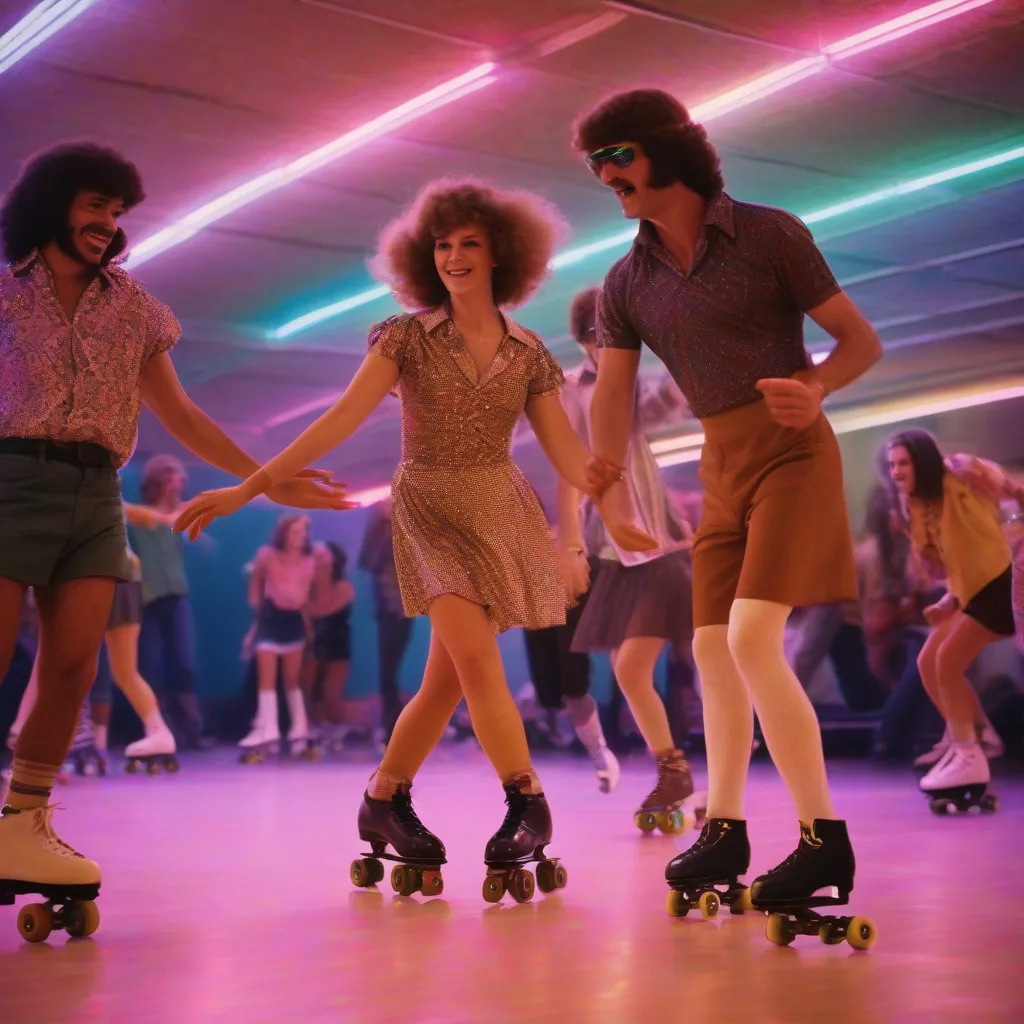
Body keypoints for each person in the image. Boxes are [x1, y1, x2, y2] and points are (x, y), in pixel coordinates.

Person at [174, 178, 648, 902]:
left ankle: (384, 798)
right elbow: (338, 419)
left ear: (501, 257)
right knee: (481, 665)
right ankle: (528, 803)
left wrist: (603, 519)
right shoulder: (405, 338)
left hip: (500, 509)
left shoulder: (529, 355)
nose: (454, 255)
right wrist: (251, 485)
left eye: (470, 244)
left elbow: (567, 455)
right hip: (427, 506)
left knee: (442, 683)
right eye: (443, 244)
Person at [0, 142, 348, 941]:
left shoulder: (134, 307)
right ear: (54, 203)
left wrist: (267, 479)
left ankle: (23, 820)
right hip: (10, 477)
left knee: (74, 662)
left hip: (96, 494)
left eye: (118, 213)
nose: (108, 224)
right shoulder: (6, 290)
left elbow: (183, 417)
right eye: (95, 205)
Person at [573, 90, 883, 942]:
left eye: (619, 155)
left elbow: (860, 341)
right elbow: (612, 393)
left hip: (792, 453)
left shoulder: (770, 234)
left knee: (750, 638)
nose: (607, 175)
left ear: (670, 151)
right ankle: (726, 831)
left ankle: (824, 840)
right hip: (721, 468)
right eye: (596, 163)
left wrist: (815, 385)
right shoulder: (625, 281)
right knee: (709, 645)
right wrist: (605, 487)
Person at [557, 286, 701, 832]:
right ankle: (674, 769)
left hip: (656, 542)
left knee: (641, 667)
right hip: (620, 551)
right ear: (582, 340)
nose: (609, 345)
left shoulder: (628, 383)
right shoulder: (575, 390)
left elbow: (663, 408)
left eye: (617, 336)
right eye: (599, 335)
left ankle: (684, 768)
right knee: (630, 669)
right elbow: (571, 463)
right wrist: (570, 540)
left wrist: (682, 353)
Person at [886, 431, 1021, 811]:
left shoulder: (959, 474)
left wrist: (1012, 510)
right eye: (892, 465)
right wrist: (949, 598)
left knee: (947, 662)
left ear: (923, 461)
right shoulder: (916, 504)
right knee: (928, 662)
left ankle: (968, 752)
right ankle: (976, 737)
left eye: (904, 463)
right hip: (973, 590)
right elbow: (951, 561)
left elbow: (1007, 489)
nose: (896, 472)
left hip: (1000, 580)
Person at [240, 514, 317, 760]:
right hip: (269, 619)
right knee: (267, 677)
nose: (300, 536)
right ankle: (268, 729)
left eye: (303, 531)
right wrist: (255, 620)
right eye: (295, 531)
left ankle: (299, 732)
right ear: (283, 532)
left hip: (293, 621)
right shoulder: (267, 554)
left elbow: (303, 598)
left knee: (291, 680)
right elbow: (256, 584)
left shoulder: (309, 560)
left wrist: (308, 625)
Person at [358, 499, 414, 747]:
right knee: (388, 668)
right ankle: (392, 728)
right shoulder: (379, 534)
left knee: (392, 667)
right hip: (390, 608)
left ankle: (397, 726)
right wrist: (384, 521)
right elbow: (368, 562)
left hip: (405, 607)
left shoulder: (409, 528)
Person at [302, 540, 355, 753]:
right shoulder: (306, 586)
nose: (318, 557)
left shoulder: (344, 586)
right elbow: (305, 609)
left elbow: (323, 609)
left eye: (322, 553)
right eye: (314, 554)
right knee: (308, 688)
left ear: (333, 559)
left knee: (332, 692)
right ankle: (313, 728)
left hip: (337, 640)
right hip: (312, 639)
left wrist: (307, 609)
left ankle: (336, 729)